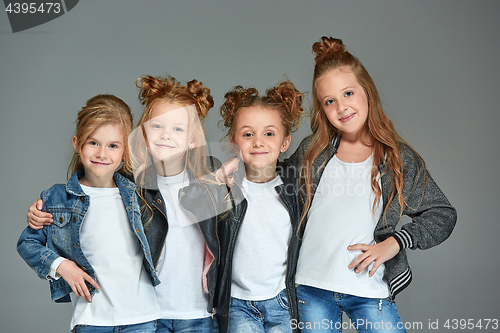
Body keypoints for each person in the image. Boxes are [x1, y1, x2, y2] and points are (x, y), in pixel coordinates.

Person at [285, 37, 457, 333]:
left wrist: (395, 243)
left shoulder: (397, 160)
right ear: (322, 108)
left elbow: (442, 214)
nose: (341, 107)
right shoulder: (312, 152)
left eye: (348, 93)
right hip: (311, 289)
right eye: (329, 101)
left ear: (367, 91)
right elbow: (272, 184)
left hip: (367, 290)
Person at [26, 75, 223, 333]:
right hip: (148, 315)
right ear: (141, 133)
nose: (166, 135)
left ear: (193, 139)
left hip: (198, 312)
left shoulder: (213, 180)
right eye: (157, 126)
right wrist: (42, 210)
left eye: (178, 129)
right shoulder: (129, 186)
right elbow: (87, 195)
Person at [17, 94, 162, 333]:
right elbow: (27, 243)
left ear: (125, 151)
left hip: (142, 318)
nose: (102, 153)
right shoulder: (57, 199)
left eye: (113, 145)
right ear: (77, 143)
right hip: (92, 320)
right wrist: (62, 266)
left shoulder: (140, 194)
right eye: (93, 142)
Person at [216, 80, 303, 333]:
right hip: (236, 304)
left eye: (269, 133)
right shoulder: (226, 187)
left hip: (283, 301)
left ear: (285, 142)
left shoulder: (295, 186)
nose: (258, 142)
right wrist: (218, 177)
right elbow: (188, 204)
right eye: (247, 134)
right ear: (235, 143)